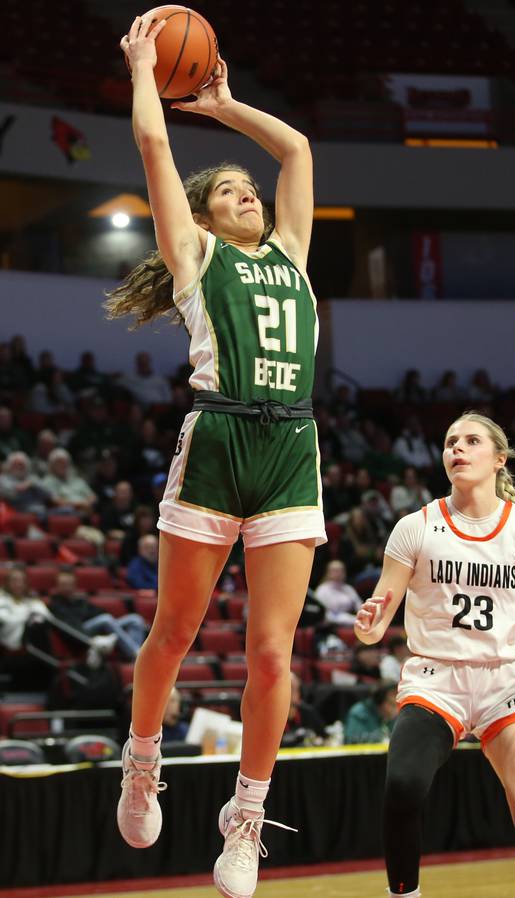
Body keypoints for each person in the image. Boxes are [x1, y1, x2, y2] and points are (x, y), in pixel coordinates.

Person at [108, 17, 325, 898]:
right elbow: (153, 138)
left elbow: (300, 149)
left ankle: (246, 816)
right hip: (219, 440)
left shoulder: (292, 253)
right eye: (229, 190)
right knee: (175, 632)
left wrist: (229, 106)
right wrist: (142, 69)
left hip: (291, 448)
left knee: (273, 656)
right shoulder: (195, 257)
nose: (248, 193)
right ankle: (142, 756)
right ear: (200, 217)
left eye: (248, 188)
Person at [355, 412, 515, 898]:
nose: (456, 449)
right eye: (449, 442)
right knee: (403, 784)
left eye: (470, 441)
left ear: (499, 458)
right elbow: (377, 625)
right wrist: (369, 624)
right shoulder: (414, 527)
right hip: (436, 678)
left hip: (504, 682)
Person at [48, 569, 147, 660]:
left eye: (70, 584)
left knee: (135, 619)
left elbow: (99, 611)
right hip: (80, 633)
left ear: (75, 585)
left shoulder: (79, 601)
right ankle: (136, 654)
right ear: (57, 586)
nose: (67, 587)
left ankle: (131, 656)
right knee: (106, 619)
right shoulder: (55, 605)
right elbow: (70, 625)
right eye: (64, 584)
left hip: (97, 626)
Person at [282, 671, 325, 747]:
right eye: (285, 688)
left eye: (292, 689)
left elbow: (324, 737)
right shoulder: (271, 717)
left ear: (299, 693)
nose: (289, 693)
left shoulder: (309, 713)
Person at [313, 559, 361, 626]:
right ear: (328, 573)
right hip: (329, 625)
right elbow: (319, 612)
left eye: (341, 570)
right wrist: (348, 619)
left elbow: (359, 607)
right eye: (335, 571)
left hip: (351, 623)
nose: (338, 573)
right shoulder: (322, 589)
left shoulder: (349, 588)